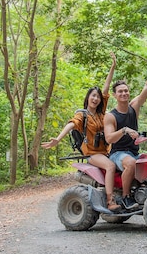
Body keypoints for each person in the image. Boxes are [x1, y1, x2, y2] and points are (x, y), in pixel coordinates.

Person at [41, 52, 120, 211]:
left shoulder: (101, 113)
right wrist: (58, 139)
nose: (96, 99)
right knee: (111, 167)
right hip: (92, 153)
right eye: (93, 96)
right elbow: (71, 124)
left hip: (105, 152)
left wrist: (112, 68)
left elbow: (105, 89)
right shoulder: (82, 115)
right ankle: (110, 201)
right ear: (88, 97)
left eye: (97, 97)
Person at [104, 55, 147, 209]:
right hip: (118, 153)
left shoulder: (133, 107)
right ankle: (125, 197)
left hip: (134, 151)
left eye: (126, 90)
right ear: (115, 95)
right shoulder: (111, 116)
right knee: (130, 163)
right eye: (120, 92)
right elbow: (109, 138)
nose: (124, 93)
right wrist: (124, 130)